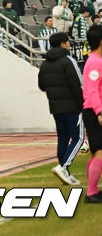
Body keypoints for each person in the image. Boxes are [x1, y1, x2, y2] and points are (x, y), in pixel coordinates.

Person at [37, 32, 84, 186]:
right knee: (79, 138)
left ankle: (66, 174)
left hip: (55, 107)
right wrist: (83, 103)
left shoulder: (45, 63)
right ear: (63, 43)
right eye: (68, 42)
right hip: (72, 106)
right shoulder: (68, 60)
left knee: (63, 139)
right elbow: (78, 84)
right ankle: (64, 167)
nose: (69, 44)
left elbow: (42, 86)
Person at [81, 25, 102, 202]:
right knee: (99, 151)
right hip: (94, 110)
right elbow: (93, 90)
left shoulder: (94, 60)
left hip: (92, 109)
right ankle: (91, 192)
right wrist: (100, 111)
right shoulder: (95, 62)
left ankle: (93, 190)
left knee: (95, 152)